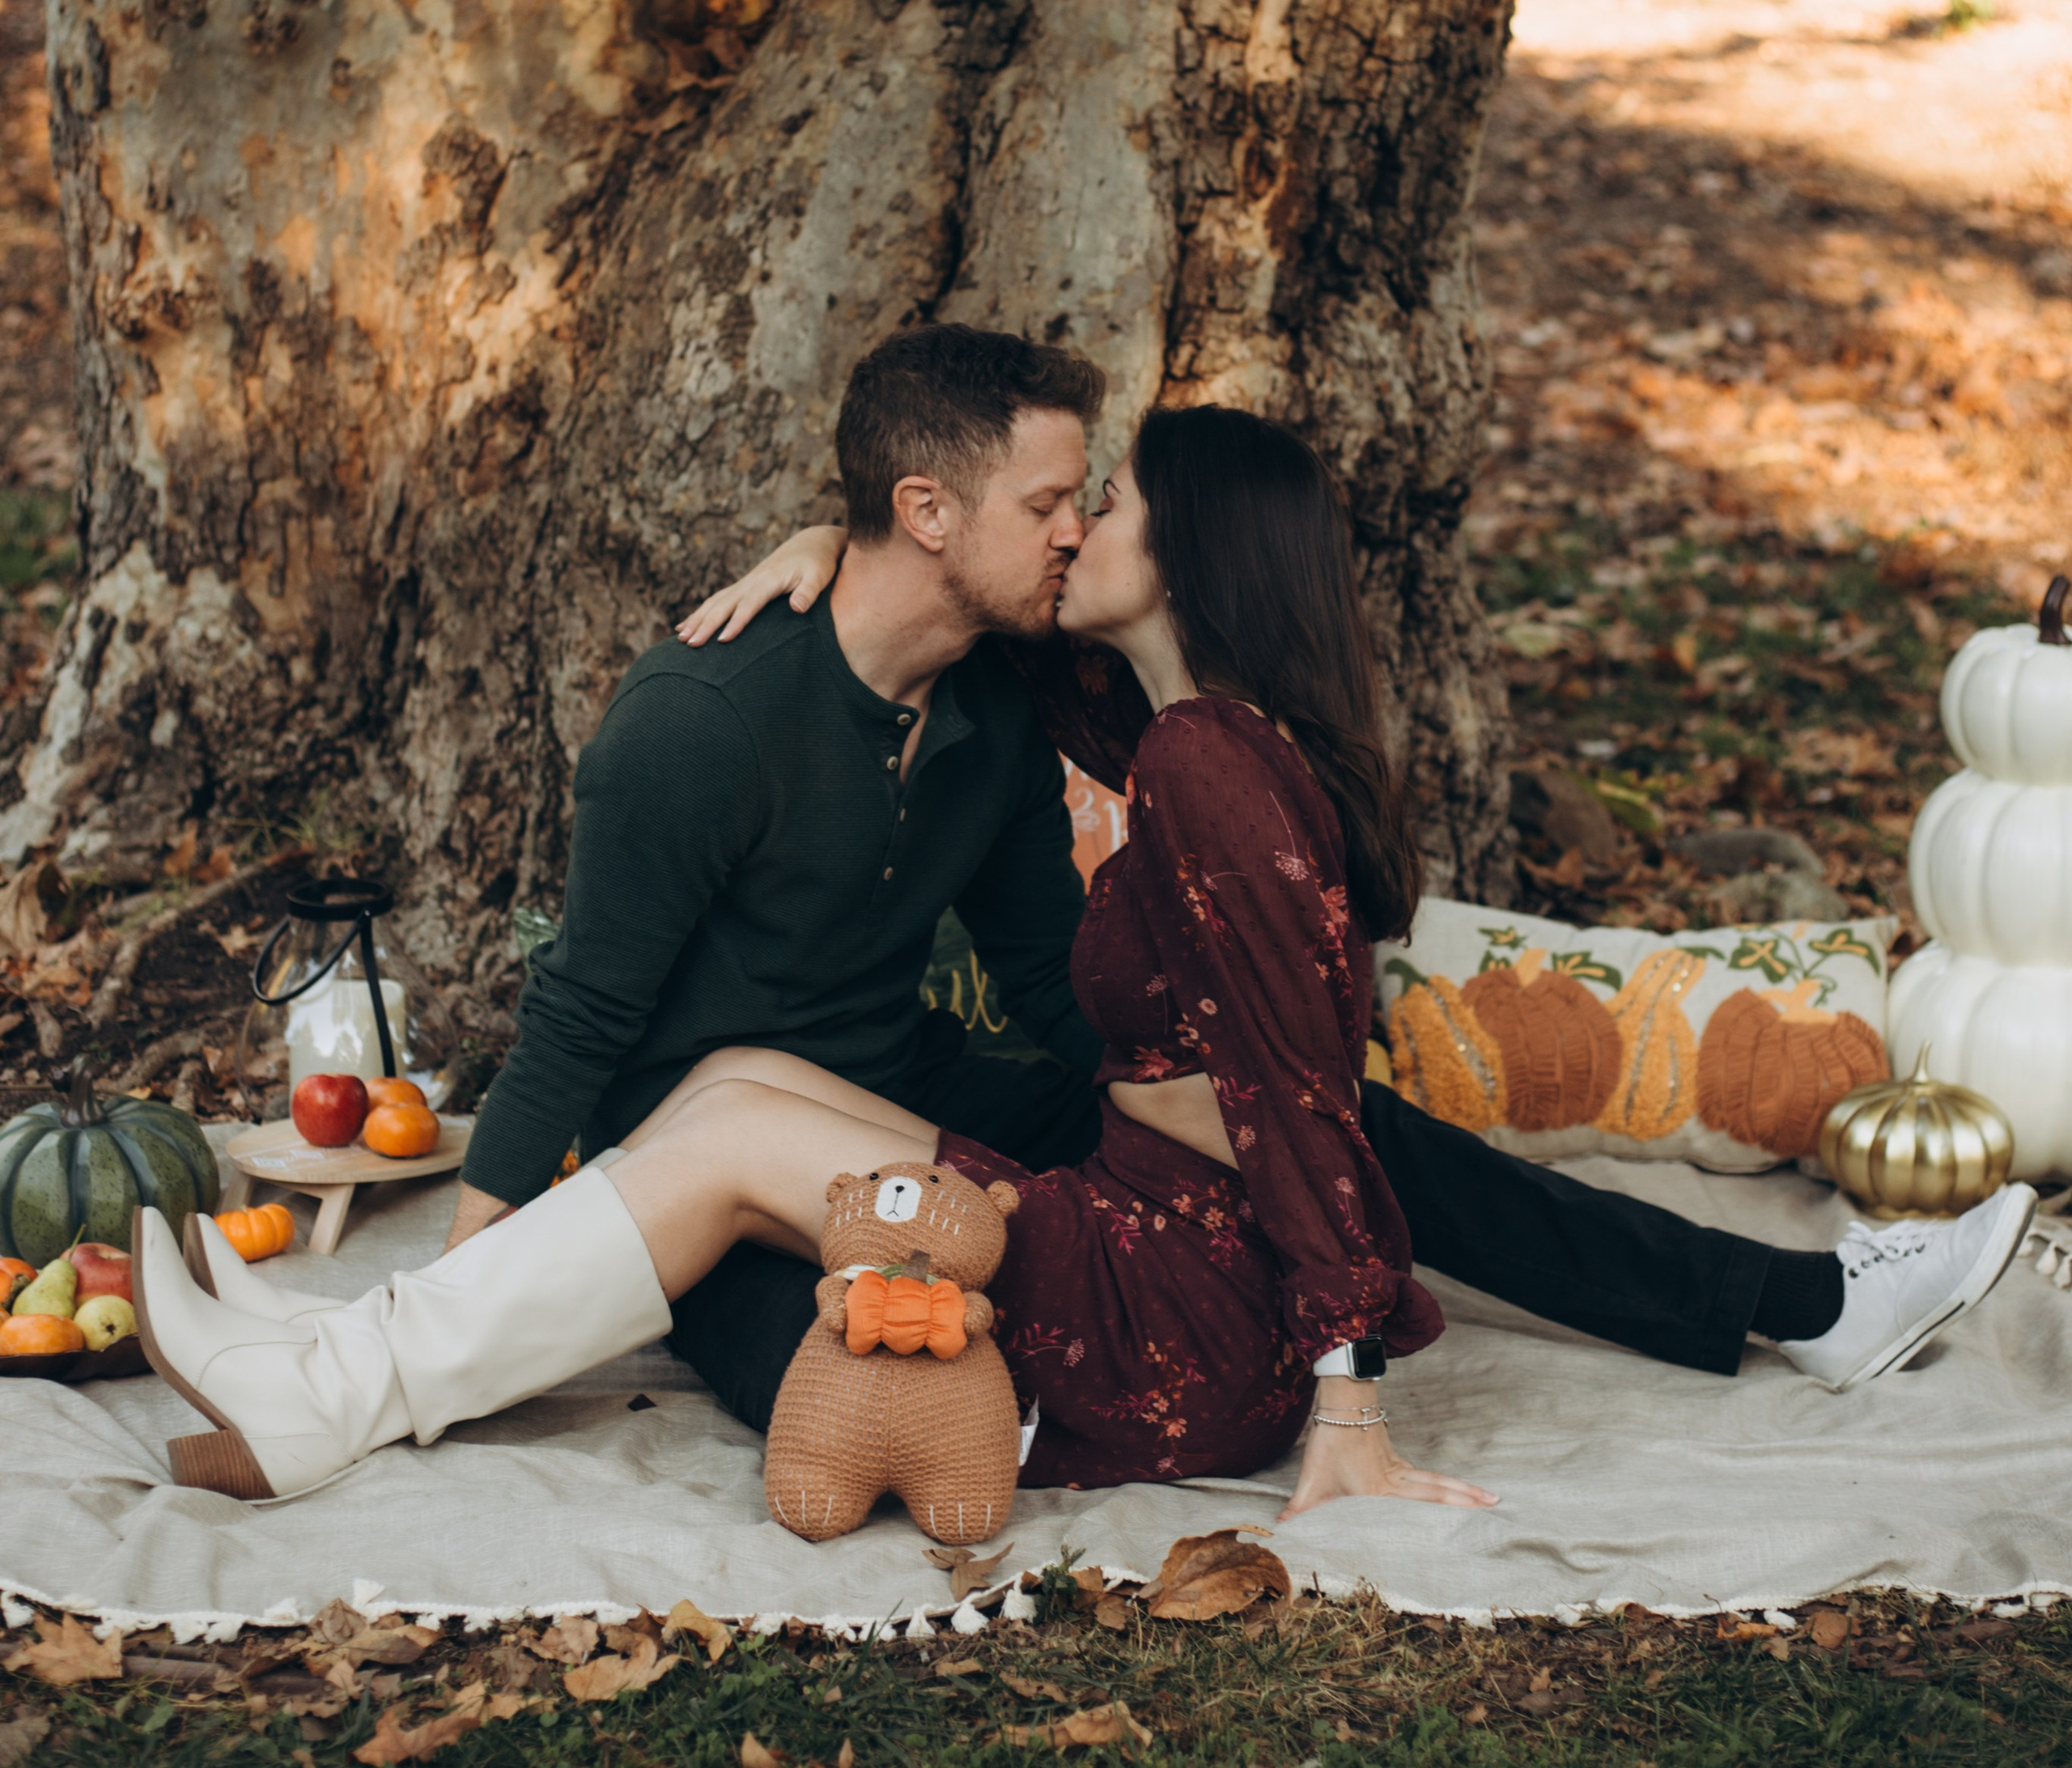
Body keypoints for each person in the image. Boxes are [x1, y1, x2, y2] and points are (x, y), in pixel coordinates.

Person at [134, 352, 2036, 1511]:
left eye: (1094, 503)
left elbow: (1150, 1011)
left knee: (1332, 1135)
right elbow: (581, 1012)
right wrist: (827, 570)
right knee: (725, 1122)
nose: (1067, 530)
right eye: (1051, 501)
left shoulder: (1123, 728)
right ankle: (347, 1375)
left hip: (1133, 1232)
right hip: (839, 1127)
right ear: (925, 514)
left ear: (1169, 556)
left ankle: (1799, 1298)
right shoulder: (915, 703)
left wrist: (1341, 1386)